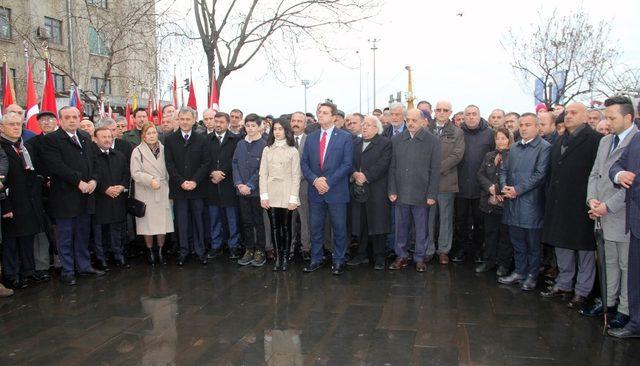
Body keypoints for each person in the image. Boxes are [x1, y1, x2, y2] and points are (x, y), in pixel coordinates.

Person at [583, 96, 638, 330]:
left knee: (627, 265)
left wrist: (608, 206)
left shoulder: (635, 141)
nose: (608, 121)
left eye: (612, 117)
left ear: (629, 117)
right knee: (608, 262)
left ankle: (625, 310)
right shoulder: (606, 141)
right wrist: (592, 200)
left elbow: (632, 186)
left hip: (622, 214)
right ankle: (609, 302)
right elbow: (596, 172)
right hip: (601, 211)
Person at [541, 103, 603, 309]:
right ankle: (564, 284)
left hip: (581, 203)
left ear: (586, 117)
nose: (568, 116)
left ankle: (582, 291)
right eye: (567, 113)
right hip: (559, 202)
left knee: (584, 249)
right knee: (562, 246)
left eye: (574, 113)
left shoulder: (596, 141)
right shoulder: (560, 140)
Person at [41, 106, 104, 286]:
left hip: (86, 196)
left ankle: (84, 266)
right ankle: (68, 271)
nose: (72, 120)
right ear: (60, 120)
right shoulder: (52, 140)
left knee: (83, 234)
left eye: (75, 117)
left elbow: (95, 162)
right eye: (67, 117)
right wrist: (79, 182)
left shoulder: (85, 137)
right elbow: (57, 166)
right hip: (65, 197)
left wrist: (94, 180)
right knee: (66, 236)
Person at [497, 114, 551, 290]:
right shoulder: (514, 148)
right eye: (521, 125)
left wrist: (517, 190)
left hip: (532, 204)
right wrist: (505, 187)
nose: (524, 128)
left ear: (537, 127)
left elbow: (540, 175)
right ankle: (519, 271)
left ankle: (532, 275)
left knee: (533, 244)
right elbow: (504, 169)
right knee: (517, 241)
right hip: (513, 204)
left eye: (528, 125)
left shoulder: (544, 148)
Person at [300, 102, 353, 275]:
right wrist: (316, 180)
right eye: (319, 112)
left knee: (338, 228)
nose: (320, 115)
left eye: (325, 112)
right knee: (315, 227)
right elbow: (304, 163)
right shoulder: (311, 137)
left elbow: (346, 164)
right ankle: (316, 259)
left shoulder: (344, 137)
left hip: (336, 190)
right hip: (315, 190)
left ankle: (338, 260)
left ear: (334, 117)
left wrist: (328, 182)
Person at [388, 108, 441, 272]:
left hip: (422, 193)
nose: (410, 123)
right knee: (400, 227)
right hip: (401, 192)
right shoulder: (397, 140)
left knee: (421, 228)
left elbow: (435, 169)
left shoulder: (432, 141)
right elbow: (392, 167)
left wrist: (432, 194)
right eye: (408, 120)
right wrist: (392, 190)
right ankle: (401, 256)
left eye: (414, 120)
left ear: (423, 121)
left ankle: (419, 257)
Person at [0, 112, 44, 290]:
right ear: (2, 128)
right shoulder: (2, 148)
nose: (16, 127)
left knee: (27, 239)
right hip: (10, 202)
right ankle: (12, 275)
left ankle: (28, 271)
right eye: (12, 124)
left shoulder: (24, 147)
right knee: (11, 242)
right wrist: (5, 206)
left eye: (19, 124)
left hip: (29, 202)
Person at [164, 107, 211, 266]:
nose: (184, 122)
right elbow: (169, 164)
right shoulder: (170, 139)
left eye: (187, 119)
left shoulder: (202, 139)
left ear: (193, 120)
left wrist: (195, 181)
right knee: (182, 222)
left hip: (198, 188)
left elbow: (206, 163)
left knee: (199, 220)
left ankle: (200, 251)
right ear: (178, 120)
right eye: (181, 119)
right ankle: (183, 251)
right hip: (179, 189)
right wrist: (181, 182)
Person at [609, 102, 640, 339]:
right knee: (634, 272)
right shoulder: (636, 141)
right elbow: (616, 166)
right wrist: (620, 174)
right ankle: (635, 322)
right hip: (636, 219)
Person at [346, 115, 392, 270]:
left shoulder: (385, 143)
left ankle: (379, 257)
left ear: (376, 128)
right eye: (363, 124)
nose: (364, 127)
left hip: (376, 190)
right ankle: (361, 254)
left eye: (369, 125)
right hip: (358, 190)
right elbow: (348, 162)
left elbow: (383, 164)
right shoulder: (356, 143)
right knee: (361, 223)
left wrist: (366, 176)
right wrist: (354, 174)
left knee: (378, 224)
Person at [451, 105, 495, 263]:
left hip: (481, 187)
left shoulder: (490, 134)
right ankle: (462, 249)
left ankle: (478, 251)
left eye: (474, 114)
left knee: (479, 222)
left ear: (479, 115)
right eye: (468, 114)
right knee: (461, 221)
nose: (471, 117)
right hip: (460, 185)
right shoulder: (458, 133)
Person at [426, 100, 465, 265]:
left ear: (450, 112)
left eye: (445, 110)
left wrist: (437, 169)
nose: (441, 112)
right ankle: (428, 249)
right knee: (427, 218)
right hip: (427, 182)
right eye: (439, 109)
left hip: (446, 180)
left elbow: (457, 155)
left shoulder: (457, 132)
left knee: (446, 218)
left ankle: (443, 250)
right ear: (434, 111)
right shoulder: (426, 129)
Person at [259, 119, 301, 271]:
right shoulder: (267, 149)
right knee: (275, 227)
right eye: (275, 129)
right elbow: (262, 174)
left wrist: (293, 198)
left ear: (286, 131)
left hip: (287, 191)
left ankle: (285, 257)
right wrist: (263, 195)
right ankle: (278, 257)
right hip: (271, 192)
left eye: (280, 129)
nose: (277, 132)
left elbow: (296, 176)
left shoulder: (293, 151)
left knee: (286, 226)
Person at [130, 123, 174, 265]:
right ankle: (150, 252)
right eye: (148, 133)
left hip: (162, 190)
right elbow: (135, 173)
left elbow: (169, 168)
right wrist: (150, 180)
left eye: (153, 133)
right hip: (146, 192)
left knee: (162, 224)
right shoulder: (138, 151)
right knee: (147, 225)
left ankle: (160, 251)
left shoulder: (164, 149)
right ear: (143, 135)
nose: (151, 136)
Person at [475, 127, 514, 276]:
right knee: (490, 233)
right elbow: (480, 174)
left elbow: (511, 177)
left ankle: (503, 264)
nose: (500, 141)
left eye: (503, 138)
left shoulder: (514, 156)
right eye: (498, 138)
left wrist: (498, 191)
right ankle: (489, 261)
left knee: (505, 235)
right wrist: (490, 188)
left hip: (505, 203)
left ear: (509, 139)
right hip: (489, 202)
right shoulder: (489, 155)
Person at [92, 126, 130, 269]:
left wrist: (121, 186)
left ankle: (118, 256)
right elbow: (91, 176)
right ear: (95, 139)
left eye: (109, 137)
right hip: (100, 200)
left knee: (117, 230)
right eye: (104, 137)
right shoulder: (92, 156)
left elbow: (126, 174)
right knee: (100, 233)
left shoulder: (119, 155)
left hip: (117, 199)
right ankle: (101, 258)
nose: (107, 140)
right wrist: (105, 189)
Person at [233, 113, 268, 267]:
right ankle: (249, 249)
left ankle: (260, 250)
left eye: (254, 125)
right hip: (241, 190)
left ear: (259, 126)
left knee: (258, 222)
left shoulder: (265, 145)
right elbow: (234, 164)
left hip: (256, 192)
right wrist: (239, 184)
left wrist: (250, 186)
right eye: (248, 125)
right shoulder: (240, 144)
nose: (250, 128)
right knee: (246, 221)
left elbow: (262, 169)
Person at [206, 112, 242, 259]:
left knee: (232, 218)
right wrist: (212, 172)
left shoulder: (236, 140)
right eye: (216, 121)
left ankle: (233, 246)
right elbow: (203, 159)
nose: (218, 124)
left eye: (221, 122)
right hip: (212, 184)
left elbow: (235, 159)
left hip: (229, 185)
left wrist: (222, 172)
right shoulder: (207, 139)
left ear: (227, 123)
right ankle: (216, 246)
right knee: (214, 218)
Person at [290, 111, 310, 259]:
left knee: (305, 219)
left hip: (305, 186)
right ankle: (289, 248)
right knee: (288, 219)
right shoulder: (283, 140)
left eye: (299, 121)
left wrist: (300, 178)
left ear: (305, 124)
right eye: (293, 120)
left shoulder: (311, 140)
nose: (295, 123)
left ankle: (306, 248)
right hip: (287, 187)